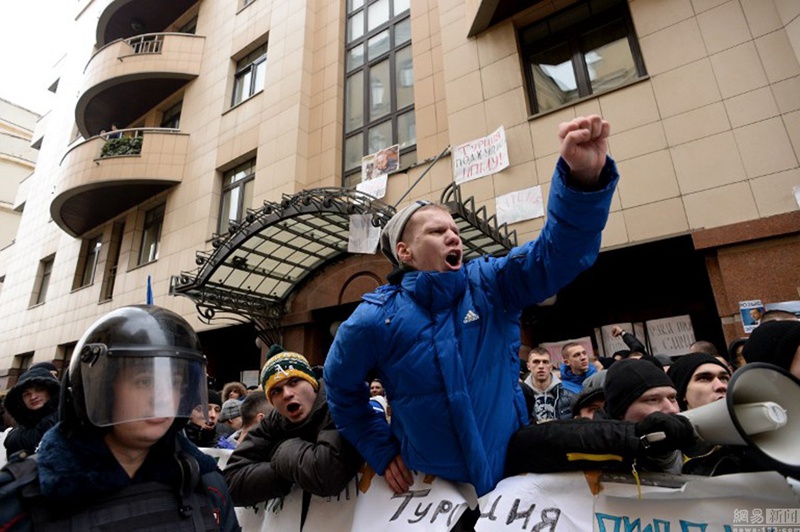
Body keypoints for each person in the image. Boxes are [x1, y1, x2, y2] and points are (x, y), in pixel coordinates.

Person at [324, 115, 619, 498]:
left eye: (455, 231)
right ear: (405, 252)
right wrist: (378, 448)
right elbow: (340, 390)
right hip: (432, 496)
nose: (453, 237)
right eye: (436, 231)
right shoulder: (373, 319)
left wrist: (582, 182)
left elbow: (558, 255)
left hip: (511, 481)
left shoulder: (492, 284)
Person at [0, 305, 239, 531]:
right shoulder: (19, 500)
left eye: (174, 382)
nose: (163, 398)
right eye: (144, 381)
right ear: (101, 390)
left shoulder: (208, 485)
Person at [224, 349, 362, 515]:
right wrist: (288, 471)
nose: (287, 394)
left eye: (294, 382)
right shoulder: (273, 422)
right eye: (276, 391)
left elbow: (327, 475)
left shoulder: (339, 405)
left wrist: (282, 452)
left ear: (311, 383)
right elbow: (231, 483)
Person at [506, 359, 695, 476]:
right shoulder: (604, 447)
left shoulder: (702, 449)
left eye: (672, 398)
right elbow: (526, 443)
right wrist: (637, 437)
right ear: (620, 411)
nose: (670, 409)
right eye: (652, 400)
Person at [3, 366, 60, 457]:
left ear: (50, 391)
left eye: (39, 390)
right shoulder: (20, 427)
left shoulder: (64, 416)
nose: (33, 397)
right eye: (26, 394)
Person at [522, 347, 570, 421]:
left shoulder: (566, 393)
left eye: (545, 362)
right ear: (528, 366)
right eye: (536, 362)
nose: (541, 366)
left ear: (551, 367)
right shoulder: (521, 394)